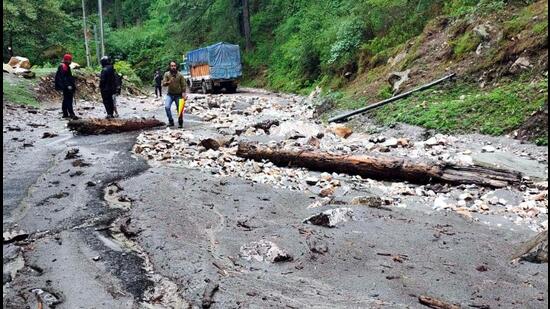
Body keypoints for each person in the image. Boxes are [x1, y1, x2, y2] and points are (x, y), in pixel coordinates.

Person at [162, 61, 187, 128]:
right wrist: (168, 82)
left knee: (180, 109)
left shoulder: (180, 75)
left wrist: (184, 94)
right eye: (172, 66)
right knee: (167, 107)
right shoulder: (166, 74)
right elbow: (163, 84)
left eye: (174, 66)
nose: (173, 67)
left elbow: (183, 85)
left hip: (178, 95)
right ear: (170, 67)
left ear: (176, 66)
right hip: (170, 94)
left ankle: (180, 122)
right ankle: (171, 121)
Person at [54, 54, 78, 120]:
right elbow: (64, 78)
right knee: (69, 100)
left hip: (66, 86)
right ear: (67, 60)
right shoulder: (63, 66)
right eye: (70, 60)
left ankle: (65, 113)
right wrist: (68, 85)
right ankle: (71, 114)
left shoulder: (65, 66)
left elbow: (67, 77)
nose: (70, 61)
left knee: (66, 100)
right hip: (67, 86)